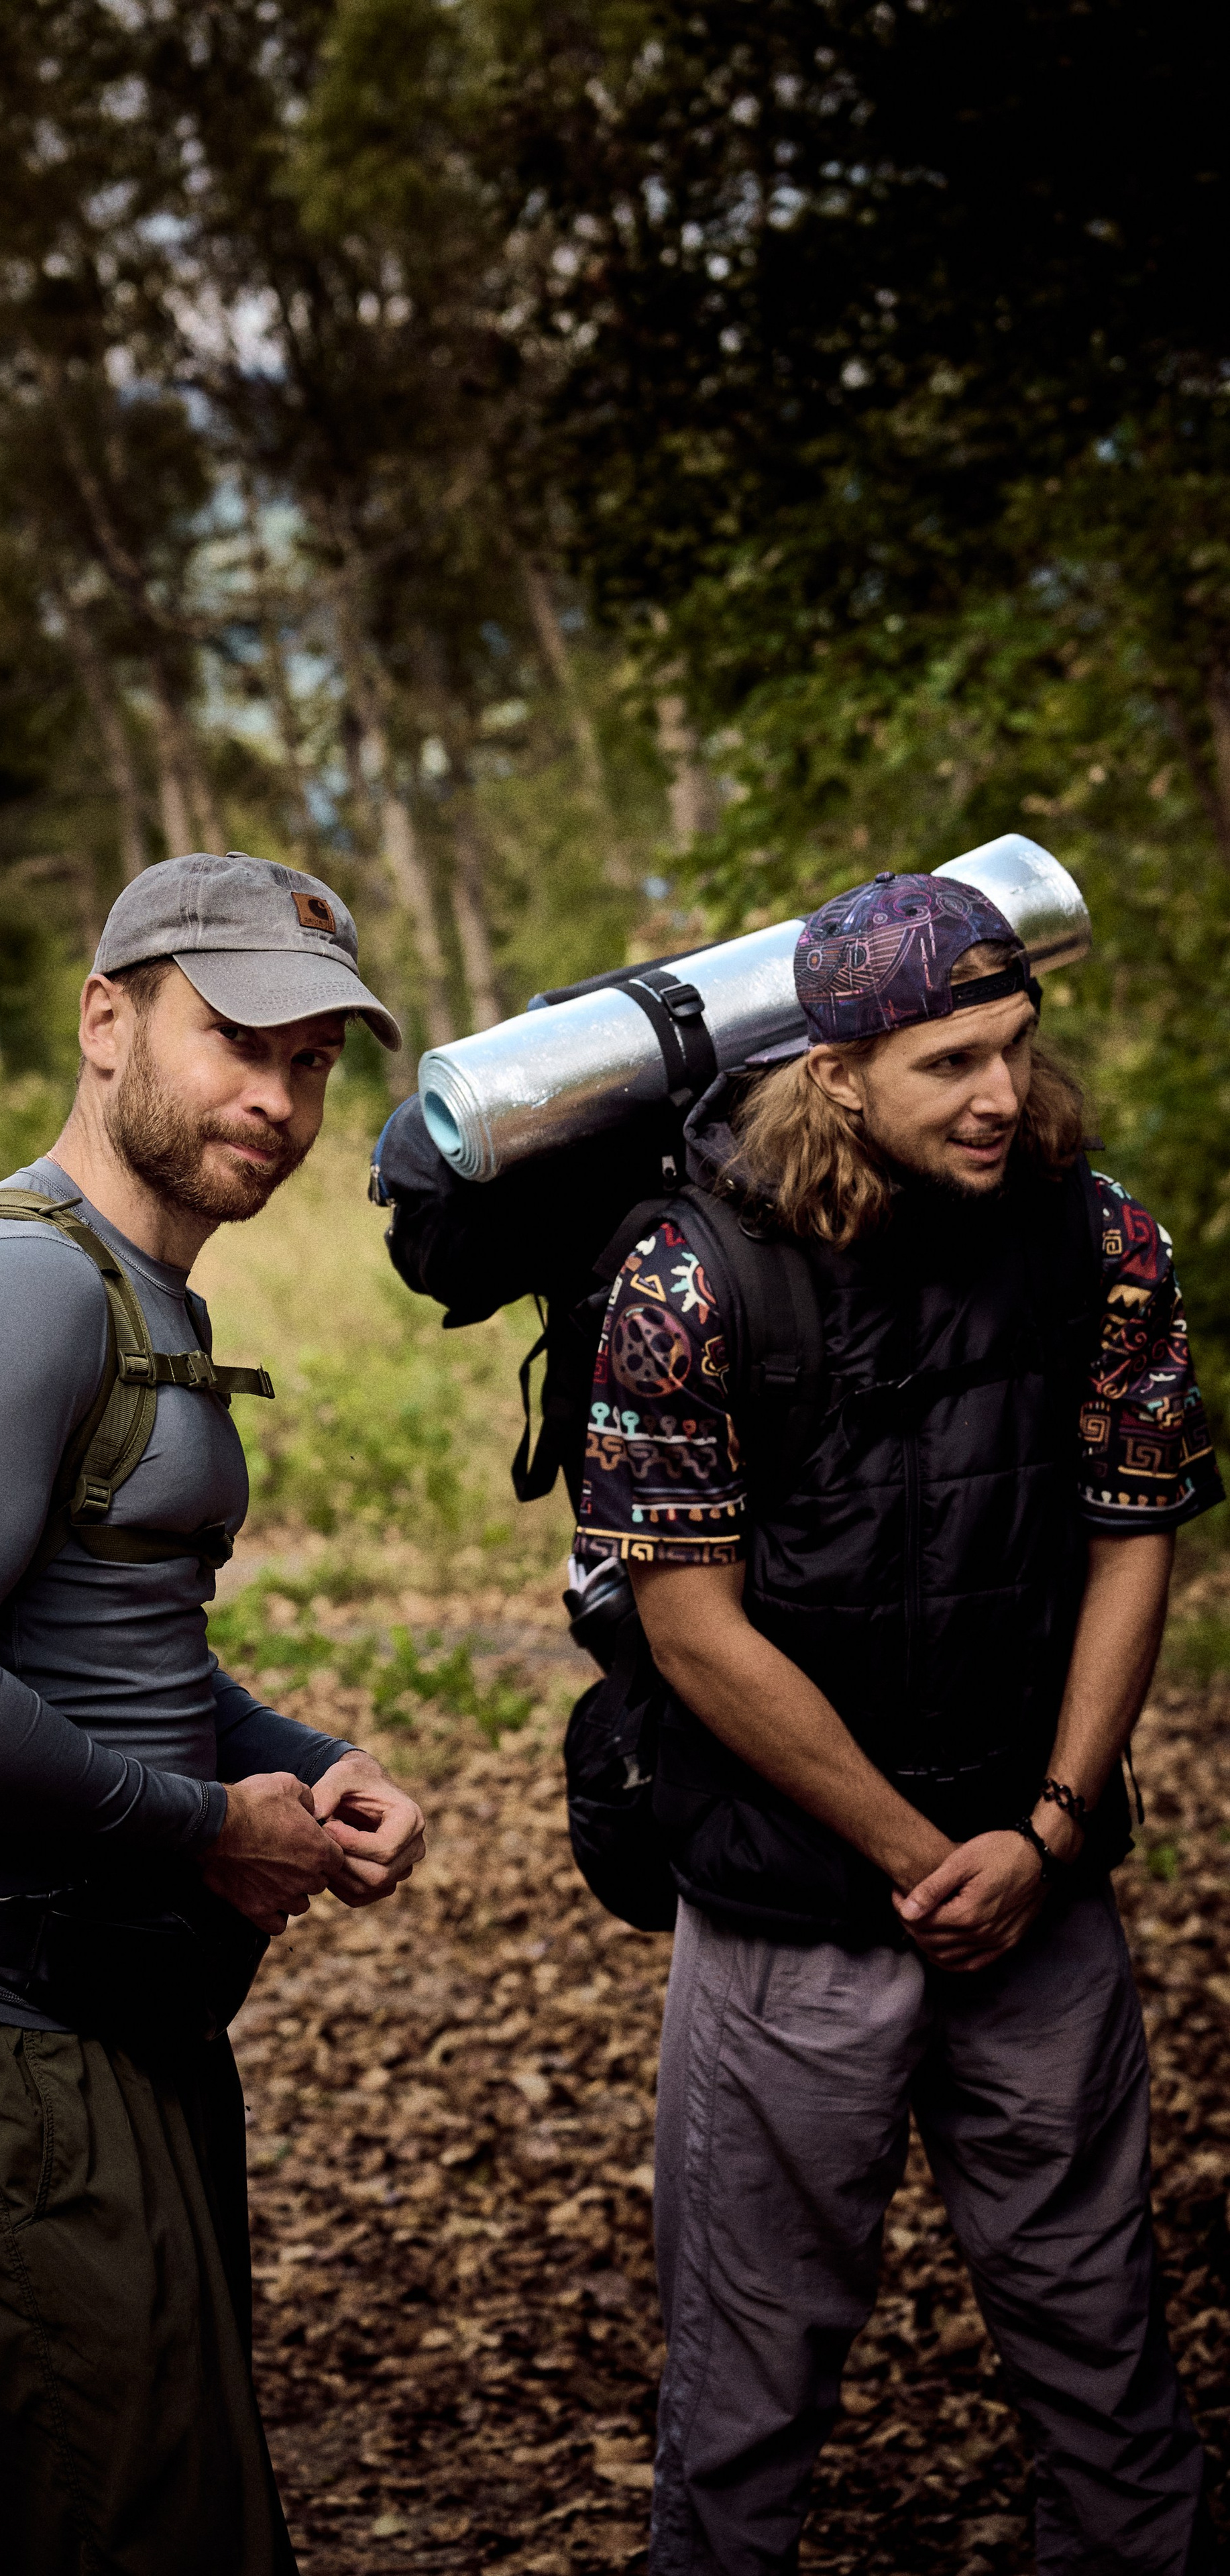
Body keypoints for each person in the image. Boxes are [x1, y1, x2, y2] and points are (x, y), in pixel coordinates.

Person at [570, 871, 1224, 2576]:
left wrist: (1051, 1833)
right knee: (745, 2389)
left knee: (1107, 2359)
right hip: (795, 1919)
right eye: (946, 1063)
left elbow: (1128, 1534)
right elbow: (686, 1624)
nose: (998, 1092)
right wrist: (930, 1860)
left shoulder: (1103, 1241)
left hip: (1042, 1894)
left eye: (1012, 1048)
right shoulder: (682, 1276)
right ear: (834, 1072)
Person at [0, 851, 427, 2576]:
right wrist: (211, 1825)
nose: (278, 1096)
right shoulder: (17, 1285)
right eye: (237, 1036)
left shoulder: (145, 1287)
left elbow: (98, 1649)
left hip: (101, 2028)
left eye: (313, 1061)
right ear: (105, 1018)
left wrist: (297, 1764)